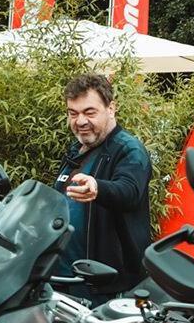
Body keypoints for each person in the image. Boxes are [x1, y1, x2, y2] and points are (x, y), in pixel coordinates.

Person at [54, 73, 151, 305]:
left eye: (89, 112)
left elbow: (128, 191)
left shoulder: (129, 150)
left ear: (111, 109)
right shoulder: (76, 150)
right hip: (63, 277)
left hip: (104, 285)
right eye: (73, 113)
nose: (80, 121)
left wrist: (98, 188)